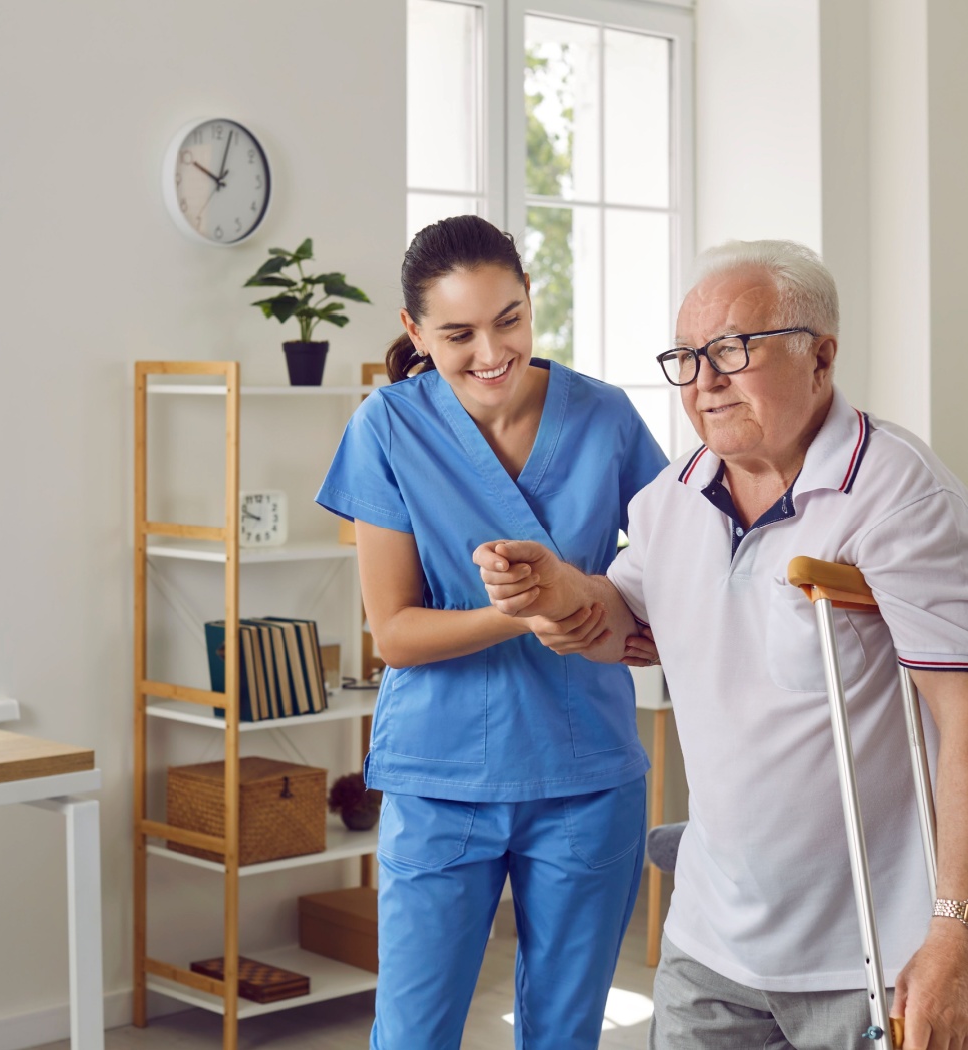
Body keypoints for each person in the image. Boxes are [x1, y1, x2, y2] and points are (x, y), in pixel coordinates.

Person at [474, 239, 968, 1050]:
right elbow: (626, 624)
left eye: (732, 349)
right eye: (688, 358)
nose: (705, 381)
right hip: (708, 946)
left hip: (866, 955)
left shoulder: (902, 495)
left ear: (820, 357)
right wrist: (561, 592)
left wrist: (961, 943)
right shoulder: (673, 496)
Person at [315, 214, 670, 1049]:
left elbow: (671, 568)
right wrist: (523, 608)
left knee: (563, 1035)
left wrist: (620, 611)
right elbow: (394, 633)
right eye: (459, 333)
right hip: (441, 780)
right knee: (412, 1035)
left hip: (586, 773)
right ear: (414, 331)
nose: (491, 352)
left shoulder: (606, 418)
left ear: (530, 301)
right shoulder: (388, 428)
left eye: (509, 319)